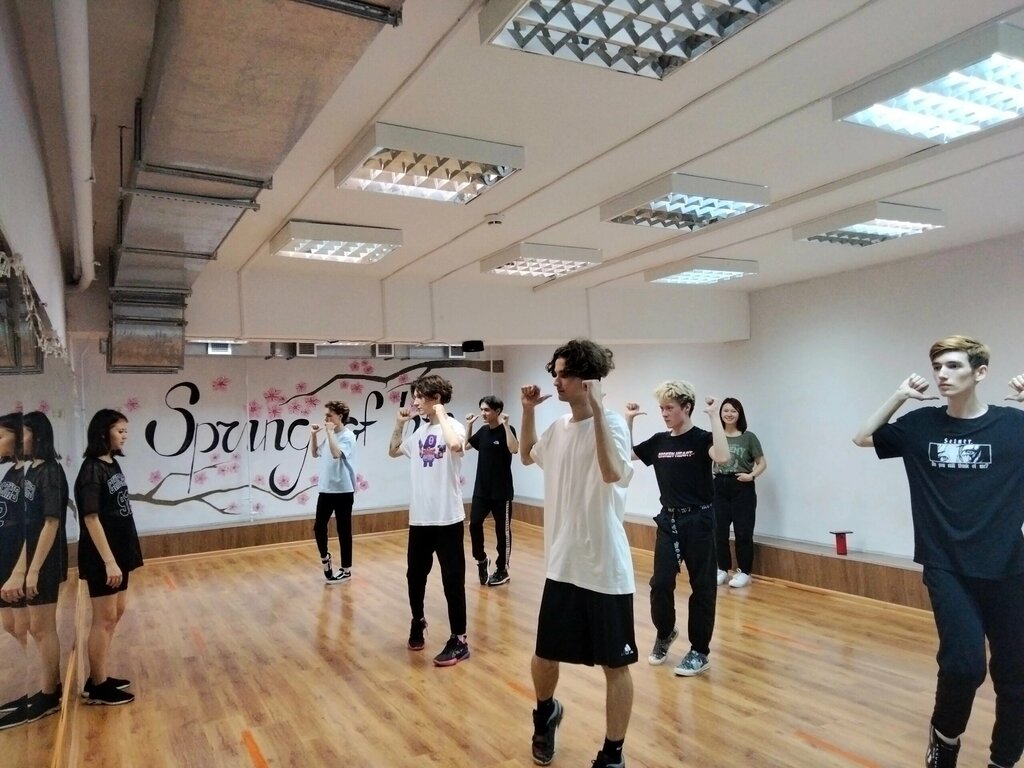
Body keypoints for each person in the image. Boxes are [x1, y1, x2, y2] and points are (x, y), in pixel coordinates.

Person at [853, 335, 1024, 768]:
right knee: (964, 666)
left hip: (1009, 567)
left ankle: (1003, 761)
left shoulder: (1013, 425)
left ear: (980, 372)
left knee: (1016, 677)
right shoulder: (921, 425)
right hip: (947, 565)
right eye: (937, 367)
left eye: (953, 366)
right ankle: (945, 742)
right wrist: (899, 396)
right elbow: (862, 437)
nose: (942, 375)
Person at [521, 338, 635, 768]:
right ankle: (545, 713)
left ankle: (613, 754)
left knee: (615, 666)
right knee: (544, 656)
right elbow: (526, 455)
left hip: (605, 568)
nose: (557, 381)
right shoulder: (558, 429)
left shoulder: (614, 427)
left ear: (589, 380)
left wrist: (601, 411)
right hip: (562, 563)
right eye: (556, 373)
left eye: (565, 374)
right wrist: (528, 412)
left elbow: (611, 472)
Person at [626, 382, 729, 678]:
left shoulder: (702, 438)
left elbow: (722, 457)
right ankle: (665, 632)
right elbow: (627, 455)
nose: (664, 413)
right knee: (660, 584)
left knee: (703, 587)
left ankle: (699, 651)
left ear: (687, 407)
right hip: (669, 521)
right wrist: (628, 421)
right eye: (661, 408)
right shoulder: (659, 441)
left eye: (669, 407)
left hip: (700, 521)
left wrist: (714, 416)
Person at [388, 374, 470, 667]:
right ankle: (417, 620)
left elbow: (456, 446)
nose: (415, 402)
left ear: (436, 398)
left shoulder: (455, 427)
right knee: (415, 576)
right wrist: (400, 424)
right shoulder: (419, 433)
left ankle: (459, 639)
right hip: (420, 520)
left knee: (453, 580)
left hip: (448, 519)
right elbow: (393, 451)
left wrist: (442, 415)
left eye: (420, 396)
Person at [0, 412, 69, 726]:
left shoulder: (49, 472)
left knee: (41, 628)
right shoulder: (21, 472)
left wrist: (30, 570)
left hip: (39, 563)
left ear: (32, 436)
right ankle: (41, 685)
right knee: (19, 626)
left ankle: (48, 692)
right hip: (16, 561)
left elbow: (49, 523)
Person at [75, 409, 143, 705]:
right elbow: (91, 518)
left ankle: (99, 675)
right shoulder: (91, 469)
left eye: (126, 431)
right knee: (103, 619)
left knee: (115, 613)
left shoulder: (111, 464)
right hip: (103, 556)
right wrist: (109, 561)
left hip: (121, 549)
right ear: (103, 432)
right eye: (120, 431)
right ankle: (98, 686)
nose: (124, 436)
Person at [465, 395, 518, 587]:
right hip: (481, 490)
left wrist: (506, 425)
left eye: (486, 410)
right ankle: (481, 559)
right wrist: (469, 425)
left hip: (501, 492)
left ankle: (502, 569)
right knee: (474, 524)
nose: (483, 413)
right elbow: (465, 446)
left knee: (502, 532)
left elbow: (514, 449)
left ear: (498, 411)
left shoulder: (507, 430)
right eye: (481, 410)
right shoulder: (483, 431)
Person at [713, 398, 766, 589]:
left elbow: (762, 463)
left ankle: (744, 572)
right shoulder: (715, 436)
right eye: (726, 410)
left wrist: (750, 476)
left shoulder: (748, 437)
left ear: (739, 414)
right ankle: (722, 569)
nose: (729, 414)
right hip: (719, 485)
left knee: (743, 531)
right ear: (720, 413)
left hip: (742, 486)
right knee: (719, 531)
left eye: (733, 411)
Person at [0, 412, 28, 728]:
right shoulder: (11, 473)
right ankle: (32, 685)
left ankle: (37, 689)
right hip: (3, 559)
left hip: (15, 563)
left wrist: (19, 571)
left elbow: (33, 528)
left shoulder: (30, 474)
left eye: (0, 436)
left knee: (24, 627)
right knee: (10, 625)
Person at [309, 400, 357, 584]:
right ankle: (325, 557)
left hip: (344, 490)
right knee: (319, 527)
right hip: (326, 489)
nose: (326, 418)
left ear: (340, 416)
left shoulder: (348, 436)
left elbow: (337, 454)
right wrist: (314, 436)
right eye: (325, 415)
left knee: (344, 530)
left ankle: (346, 569)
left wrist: (329, 433)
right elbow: (315, 453)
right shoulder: (329, 436)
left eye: (329, 415)